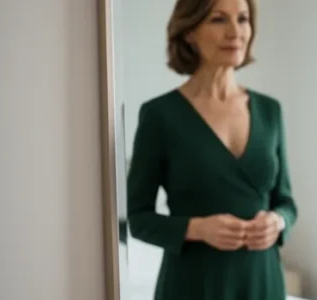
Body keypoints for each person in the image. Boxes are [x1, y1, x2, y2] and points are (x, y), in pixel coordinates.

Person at [126, 0, 298, 299]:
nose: (236, 32)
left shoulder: (270, 111)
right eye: (219, 20)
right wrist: (198, 229)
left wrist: (277, 222)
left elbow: (286, 202)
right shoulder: (160, 115)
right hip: (194, 283)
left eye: (242, 19)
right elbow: (139, 219)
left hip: (262, 281)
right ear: (190, 31)